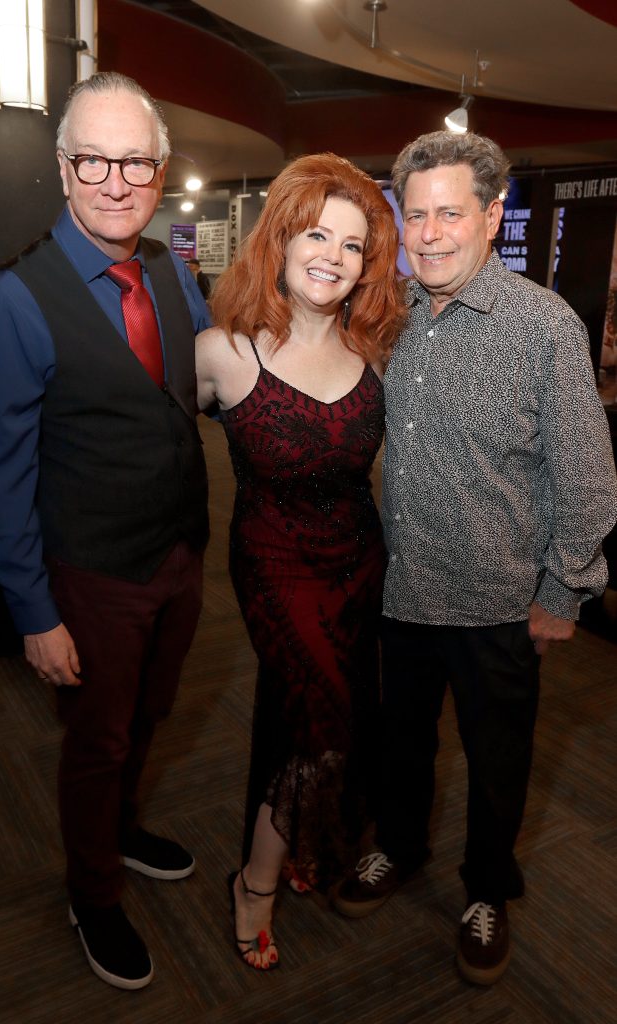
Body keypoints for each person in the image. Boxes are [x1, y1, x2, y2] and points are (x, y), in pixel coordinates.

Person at [332, 130, 617, 985]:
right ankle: (399, 846)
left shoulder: (543, 326)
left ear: (491, 217)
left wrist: (562, 593)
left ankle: (487, 888)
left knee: (496, 764)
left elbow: (585, 475)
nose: (428, 235)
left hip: (498, 605)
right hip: (401, 591)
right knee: (401, 744)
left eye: (449, 214)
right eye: (415, 216)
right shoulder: (388, 315)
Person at [0, 72, 211, 991]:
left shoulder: (171, 274)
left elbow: (197, 390)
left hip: (179, 554)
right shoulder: (10, 306)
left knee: (150, 715)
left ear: (158, 172)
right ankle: (92, 890)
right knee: (97, 742)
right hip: (93, 573)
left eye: (135, 161)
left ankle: (121, 830)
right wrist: (34, 614)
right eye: (94, 161)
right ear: (65, 169)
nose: (116, 181)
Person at [196, 152, 406, 970]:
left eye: (352, 245)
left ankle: (305, 842)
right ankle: (253, 883)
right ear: (280, 240)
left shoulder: (375, 354)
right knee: (323, 723)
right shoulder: (220, 352)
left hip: (358, 566)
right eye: (316, 234)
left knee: (317, 720)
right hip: (272, 568)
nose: (332, 256)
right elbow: (144, 446)